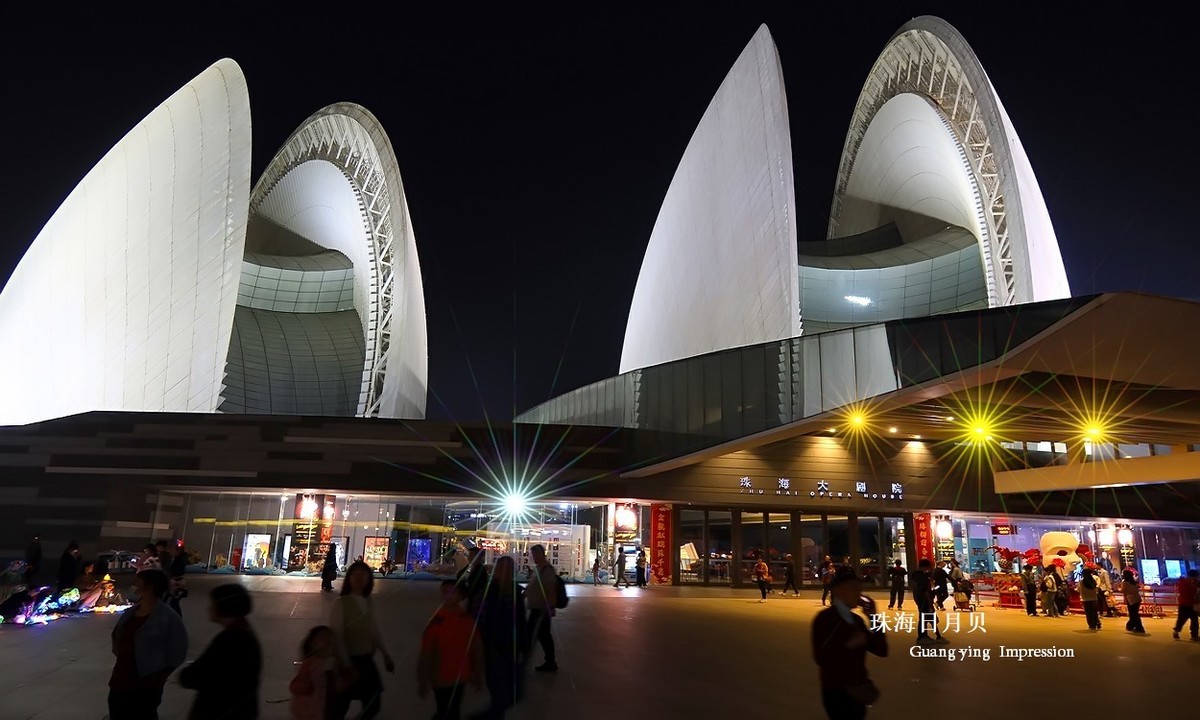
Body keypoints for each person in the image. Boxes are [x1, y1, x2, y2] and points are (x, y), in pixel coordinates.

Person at [108, 569, 188, 719]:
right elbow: (117, 639)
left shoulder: (168, 618)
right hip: (120, 681)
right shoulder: (130, 614)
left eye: (137, 583)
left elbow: (177, 652)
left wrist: (158, 676)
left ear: (150, 587)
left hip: (146, 685)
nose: (133, 586)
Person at [811, 569, 888, 720]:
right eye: (853, 588)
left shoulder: (857, 621)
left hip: (858, 690)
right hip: (836, 692)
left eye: (859, 590)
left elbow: (881, 650)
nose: (857, 594)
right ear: (838, 590)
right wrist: (848, 646)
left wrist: (873, 618)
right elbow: (820, 658)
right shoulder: (825, 619)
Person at [179, 584, 262, 719]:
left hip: (221, 712)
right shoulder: (242, 632)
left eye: (213, 604)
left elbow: (196, 675)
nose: (209, 608)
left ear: (223, 607)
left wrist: (187, 674)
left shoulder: (231, 639)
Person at [330, 560, 396, 719]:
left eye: (363, 574)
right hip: (347, 662)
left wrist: (386, 654)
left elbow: (374, 629)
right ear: (349, 578)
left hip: (366, 660)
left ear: (369, 578)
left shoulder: (369, 601)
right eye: (355, 574)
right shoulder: (342, 603)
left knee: (373, 703)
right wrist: (345, 665)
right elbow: (337, 636)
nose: (359, 578)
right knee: (340, 706)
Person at [472, 555, 528, 720]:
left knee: (515, 694)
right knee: (499, 693)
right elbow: (478, 621)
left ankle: (488, 716)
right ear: (496, 571)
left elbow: (521, 620)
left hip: (513, 649)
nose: (506, 572)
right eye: (502, 568)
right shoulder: (487, 594)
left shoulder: (516, 592)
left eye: (509, 569)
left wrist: (523, 644)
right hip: (494, 651)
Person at [419, 580, 484, 720]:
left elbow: (476, 647)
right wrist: (422, 677)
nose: (446, 595)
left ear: (461, 595)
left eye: (451, 591)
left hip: (460, 676)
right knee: (447, 710)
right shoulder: (436, 620)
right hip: (440, 677)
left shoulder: (466, 620)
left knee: (450, 710)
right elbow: (426, 651)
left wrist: (478, 672)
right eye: (444, 591)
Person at [290, 626, 339, 720]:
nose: (327, 639)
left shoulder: (333, 661)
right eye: (322, 637)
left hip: (326, 705)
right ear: (312, 643)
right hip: (311, 709)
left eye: (329, 637)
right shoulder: (310, 664)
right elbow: (301, 685)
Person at [524, 543, 559, 673]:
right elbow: (533, 585)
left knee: (540, 636)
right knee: (542, 636)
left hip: (542, 609)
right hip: (537, 608)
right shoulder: (539, 568)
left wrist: (550, 607)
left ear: (541, 554)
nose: (533, 557)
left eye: (534, 554)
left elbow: (550, 589)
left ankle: (549, 662)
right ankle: (550, 661)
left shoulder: (547, 569)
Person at [910, 559, 946, 644]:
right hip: (924, 600)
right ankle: (922, 637)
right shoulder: (922, 577)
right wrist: (930, 602)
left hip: (919, 599)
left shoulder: (915, 576)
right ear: (926, 566)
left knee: (926, 617)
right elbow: (925, 590)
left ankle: (930, 636)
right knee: (925, 618)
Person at [1171, 568, 1199, 641]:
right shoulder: (1185, 583)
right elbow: (1189, 592)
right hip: (1186, 604)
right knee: (1184, 620)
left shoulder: (1185, 582)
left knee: (1191, 620)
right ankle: (1193, 635)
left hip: (1187, 604)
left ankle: (1193, 635)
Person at [461, 547, 489, 615]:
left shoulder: (479, 570)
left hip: (475, 601)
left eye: (471, 556)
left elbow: (475, 586)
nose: (469, 558)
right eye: (469, 555)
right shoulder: (475, 568)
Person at [1121, 569, 1145, 634]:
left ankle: (1138, 627)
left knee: (1133, 614)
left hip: (1131, 599)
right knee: (1135, 613)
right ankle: (1133, 626)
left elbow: (1123, 590)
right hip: (1137, 598)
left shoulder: (1125, 582)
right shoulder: (1133, 582)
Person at [1078, 565, 1101, 631]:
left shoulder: (1082, 582)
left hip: (1085, 599)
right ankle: (1097, 623)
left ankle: (1092, 625)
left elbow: (1078, 589)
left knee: (1089, 613)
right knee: (1094, 612)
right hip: (1094, 598)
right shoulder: (1093, 581)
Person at [168, 543, 188, 616]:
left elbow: (176, 571)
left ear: (178, 551)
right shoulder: (177, 559)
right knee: (173, 602)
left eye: (172, 550)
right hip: (177, 583)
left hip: (177, 583)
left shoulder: (179, 560)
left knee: (174, 602)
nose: (170, 551)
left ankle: (178, 618)